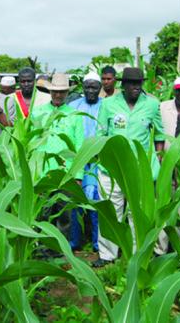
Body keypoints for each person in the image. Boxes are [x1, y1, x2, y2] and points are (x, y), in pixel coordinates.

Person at [93, 67, 164, 267]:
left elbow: (159, 134)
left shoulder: (152, 105)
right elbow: (101, 133)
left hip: (141, 170)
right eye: (131, 83)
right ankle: (107, 255)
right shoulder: (108, 104)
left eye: (139, 83)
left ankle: (136, 254)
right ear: (122, 85)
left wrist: (157, 158)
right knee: (110, 211)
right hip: (111, 168)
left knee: (137, 212)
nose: (135, 87)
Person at [68, 71, 103, 252]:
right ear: (82, 87)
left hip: (98, 161)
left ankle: (98, 243)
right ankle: (75, 242)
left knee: (96, 202)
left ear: (100, 89)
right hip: (77, 160)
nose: (90, 91)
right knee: (76, 202)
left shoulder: (105, 106)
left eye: (94, 87)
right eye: (87, 87)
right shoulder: (73, 106)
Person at [32, 73, 85, 177]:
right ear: (50, 91)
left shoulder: (75, 115)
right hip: (41, 172)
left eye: (62, 92)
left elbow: (79, 147)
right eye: (55, 91)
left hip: (66, 172)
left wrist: (78, 175)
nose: (58, 95)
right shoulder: (37, 112)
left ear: (67, 92)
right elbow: (32, 143)